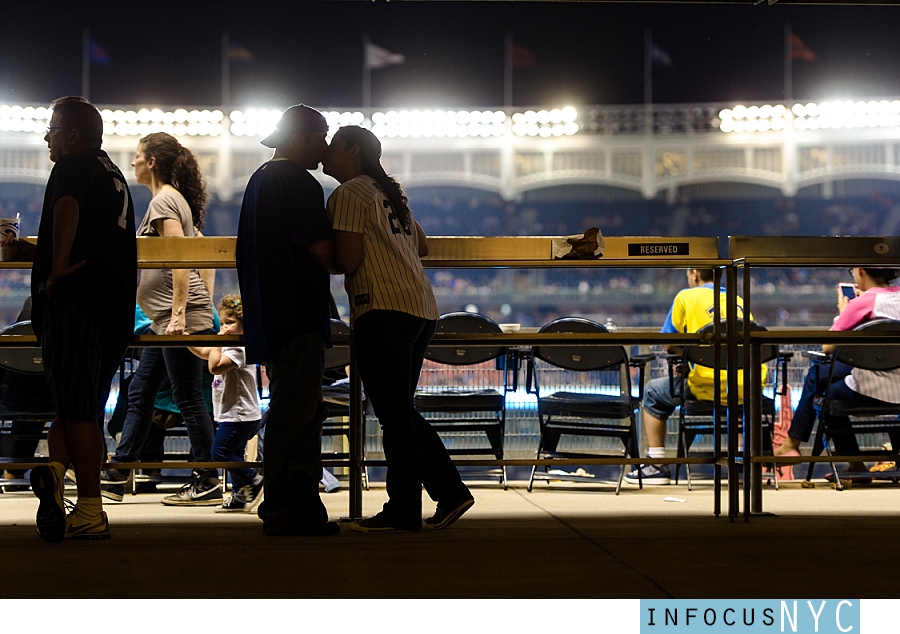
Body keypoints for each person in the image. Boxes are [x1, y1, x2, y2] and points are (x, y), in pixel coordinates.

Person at [324, 125, 473, 532]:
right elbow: (421, 245)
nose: (325, 153)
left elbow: (349, 262)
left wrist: (315, 252)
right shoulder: (389, 192)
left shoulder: (348, 193)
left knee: (394, 414)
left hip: (383, 308)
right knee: (398, 412)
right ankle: (412, 505)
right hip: (420, 307)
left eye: (333, 146)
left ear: (353, 152)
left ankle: (438, 495)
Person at [29, 96, 136, 541]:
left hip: (78, 302)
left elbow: (67, 208)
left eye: (52, 129)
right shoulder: (113, 173)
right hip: (113, 307)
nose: (47, 137)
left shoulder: (71, 165)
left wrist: (56, 266)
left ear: (71, 135)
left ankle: (90, 508)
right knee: (76, 404)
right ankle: (55, 473)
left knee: (79, 410)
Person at [236, 104, 339, 537]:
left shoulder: (260, 178)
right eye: (321, 136)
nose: (325, 146)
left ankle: (296, 504)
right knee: (297, 414)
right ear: (299, 139)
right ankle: (284, 506)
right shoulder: (299, 181)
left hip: (269, 312)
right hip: (298, 312)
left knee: (292, 409)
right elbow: (319, 248)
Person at [102, 132, 219, 506]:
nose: (133, 162)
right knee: (140, 392)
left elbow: (182, 259)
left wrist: (183, 313)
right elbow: (201, 251)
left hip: (176, 319)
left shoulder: (166, 200)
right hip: (164, 319)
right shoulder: (169, 200)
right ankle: (120, 472)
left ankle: (208, 478)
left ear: (152, 162)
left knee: (186, 396)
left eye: (137, 156)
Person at [625, 267, 762, 485]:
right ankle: (742, 461)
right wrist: (693, 362)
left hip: (707, 387)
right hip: (747, 389)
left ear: (695, 273)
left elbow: (668, 343)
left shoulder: (685, 297)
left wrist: (690, 360)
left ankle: (657, 465)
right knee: (734, 403)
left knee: (652, 391)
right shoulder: (738, 300)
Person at [775, 267, 900, 480]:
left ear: (860, 272)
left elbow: (828, 347)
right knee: (821, 378)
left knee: (822, 390)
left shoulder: (862, 302)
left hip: (870, 389)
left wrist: (845, 311)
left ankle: (845, 459)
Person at [188, 294, 264, 512]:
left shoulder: (240, 349)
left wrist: (218, 341)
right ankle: (241, 495)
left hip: (241, 416)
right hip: (232, 415)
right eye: (222, 323)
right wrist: (186, 339)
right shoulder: (226, 345)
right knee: (235, 455)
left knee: (219, 453)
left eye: (230, 323)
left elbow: (215, 366)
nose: (224, 328)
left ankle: (254, 480)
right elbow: (206, 352)